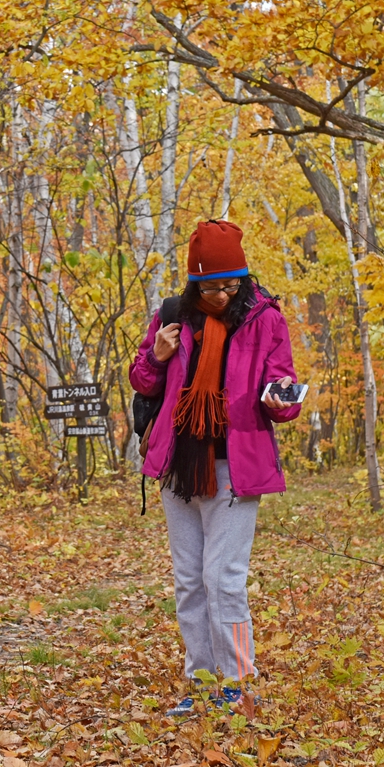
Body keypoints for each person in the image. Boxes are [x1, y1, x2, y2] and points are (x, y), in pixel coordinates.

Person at [128, 220, 302, 715]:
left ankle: (239, 683)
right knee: (188, 580)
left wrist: (281, 398)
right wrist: (157, 356)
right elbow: (143, 381)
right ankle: (201, 682)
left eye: (233, 284)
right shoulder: (173, 316)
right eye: (213, 285)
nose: (224, 294)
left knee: (223, 577)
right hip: (179, 465)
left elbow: (283, 389)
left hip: (235, 465)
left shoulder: (265, 318)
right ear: (195, 282)